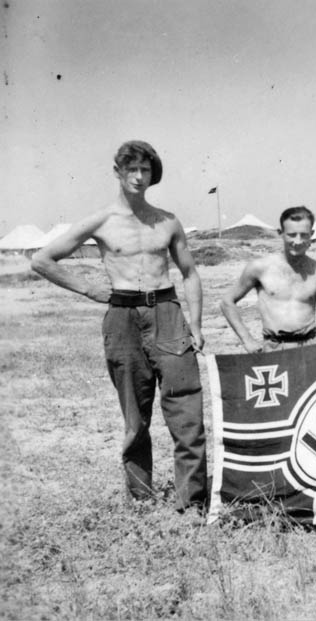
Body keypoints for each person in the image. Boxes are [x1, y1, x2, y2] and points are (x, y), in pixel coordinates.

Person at [31, 140, 208, 513]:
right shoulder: (101, 221)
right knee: (134, 414)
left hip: (166, 311)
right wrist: (89, 287)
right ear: (118, 172)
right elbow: (43, 260)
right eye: (131, 169)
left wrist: (195, 322)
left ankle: (191, 503)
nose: (139, 177)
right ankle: (142, 499)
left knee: (186, 408)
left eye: (145, 170)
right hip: (122, 316)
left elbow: (190, 273)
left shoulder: (167, 221)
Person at [221, 206, 316, 352]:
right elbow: (227, 302)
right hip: (274, 349)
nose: (298, 241)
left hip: (311, 347)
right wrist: (247, 340)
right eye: (291, 235)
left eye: (303, 235)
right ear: (280, 233)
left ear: (312, 234)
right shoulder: (259, 268)